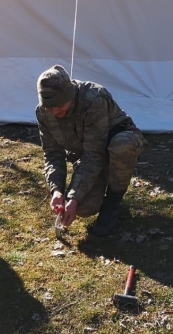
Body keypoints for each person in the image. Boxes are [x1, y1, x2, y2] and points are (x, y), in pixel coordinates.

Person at [35, 65, 145, 236]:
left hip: (116, 144)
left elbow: (95, 154)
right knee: (84, 207)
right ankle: (101, 188)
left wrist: (74, 197)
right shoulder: (43, 113)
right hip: (87, 154)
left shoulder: (94, 99)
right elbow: (52, 154)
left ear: (70, 95)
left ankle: (114, 200)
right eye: (50, 108)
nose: (55, 112)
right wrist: (57, 190)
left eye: (60, 106)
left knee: (122, 146)